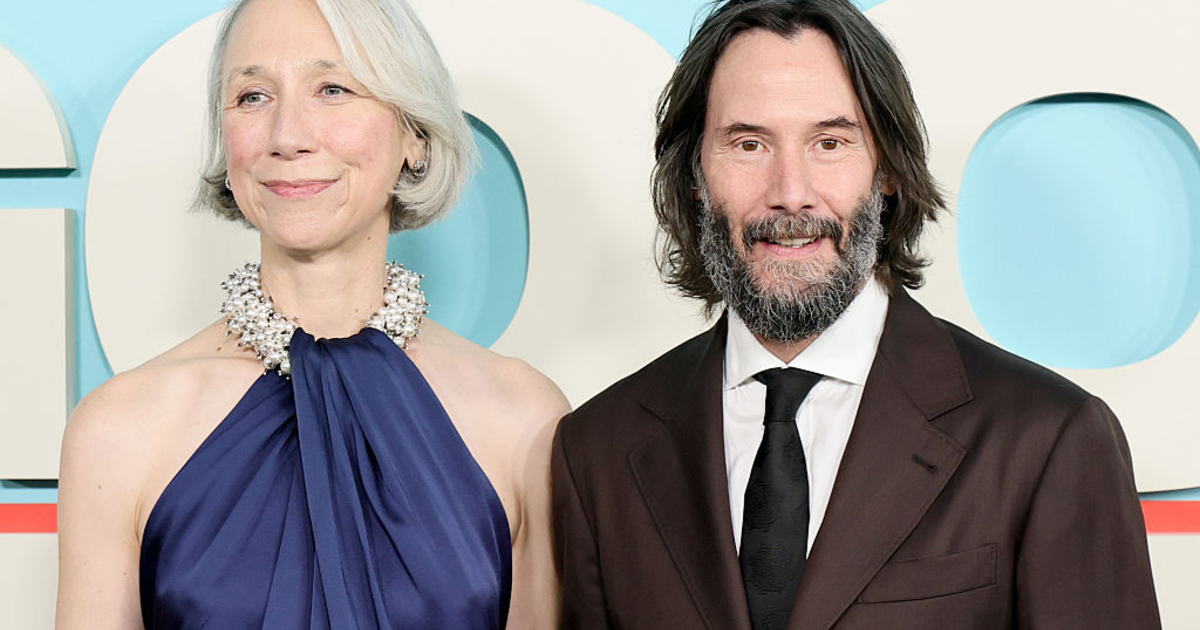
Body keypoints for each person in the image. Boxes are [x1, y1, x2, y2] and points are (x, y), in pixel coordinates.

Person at [551, 0, 1161, 628]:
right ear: (695, 176)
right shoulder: (598, 450)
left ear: (887, 169)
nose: (790, 193)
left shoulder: (1047, 438)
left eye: (830, 142)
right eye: (749, 144)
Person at [55, 0, 567, 627]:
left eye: (332, 89)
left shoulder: (524, 421)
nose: (287, 136)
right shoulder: (119, 430)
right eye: (252, 97)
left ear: (415, 135)